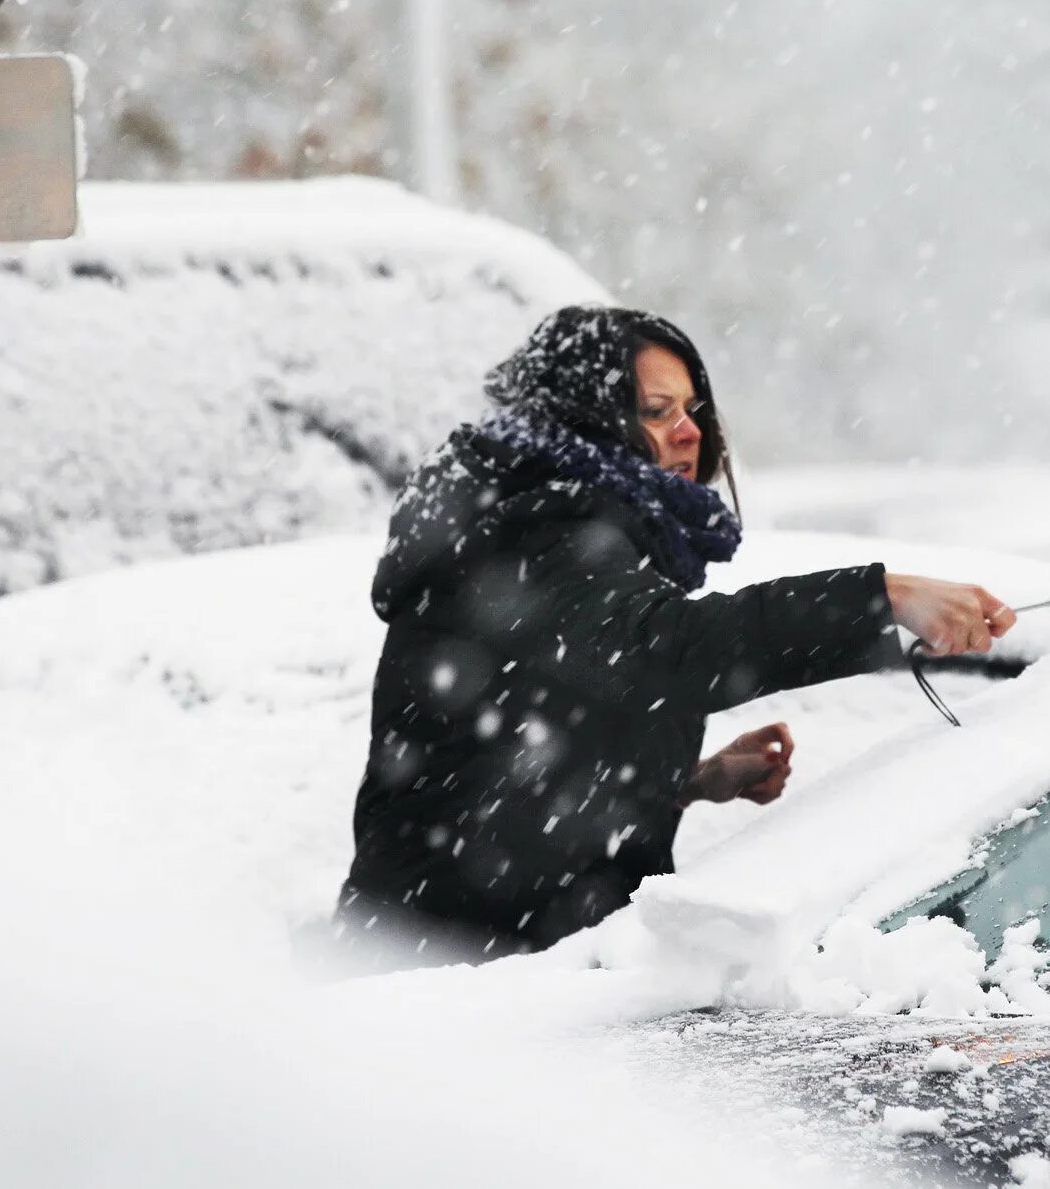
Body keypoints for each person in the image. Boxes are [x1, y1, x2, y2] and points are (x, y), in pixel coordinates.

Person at [333, 305, 1015, 969]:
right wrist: (881, 596)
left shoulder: (542, 527)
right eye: (656, 412)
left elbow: (532, 741)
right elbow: (672, 648)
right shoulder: (541, 532)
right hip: (449, 990)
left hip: (495, 970)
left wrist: (683, 782)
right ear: (583, 418)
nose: (689, 433)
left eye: (691, 410)